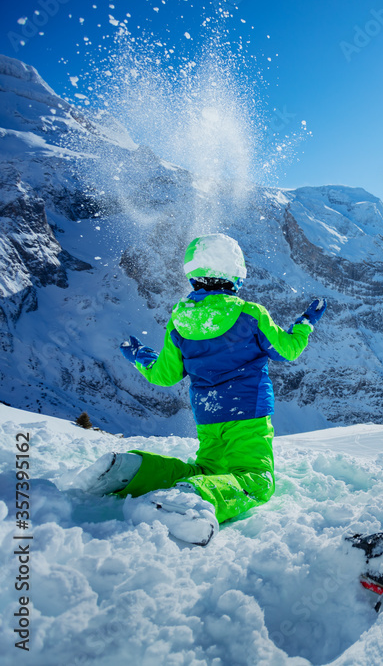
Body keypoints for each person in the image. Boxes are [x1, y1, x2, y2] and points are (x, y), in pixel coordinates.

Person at [76, 233, 326, 545]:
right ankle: (192, 498)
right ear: (235, 274)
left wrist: (140, 356)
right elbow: (287, 350)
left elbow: (165, 375)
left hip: (208, 416)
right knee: (258, 481)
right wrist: (306, 322)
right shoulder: (251, 314)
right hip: (247, 413)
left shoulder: (179, 319)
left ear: (193, 274)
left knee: (207, 469)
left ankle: (133, 470)